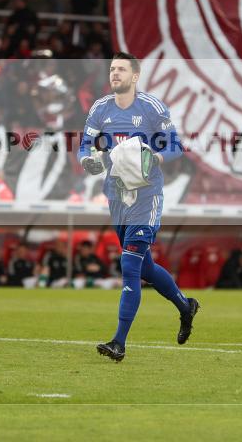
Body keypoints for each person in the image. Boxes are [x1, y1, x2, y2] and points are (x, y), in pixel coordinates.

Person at [79, 52, 196, 362]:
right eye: (112, 68)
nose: (114, 73)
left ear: (135, 76)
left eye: (121, 69)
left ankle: (119, 342)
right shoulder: (100, 109)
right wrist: (88, 161)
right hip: (117, 197)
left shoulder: (152, 108)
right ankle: (186, 307)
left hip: (147, 196)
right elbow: (85, 146)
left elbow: (175, 146)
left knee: (130, 266)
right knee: (144, 267)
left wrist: (154, 159)